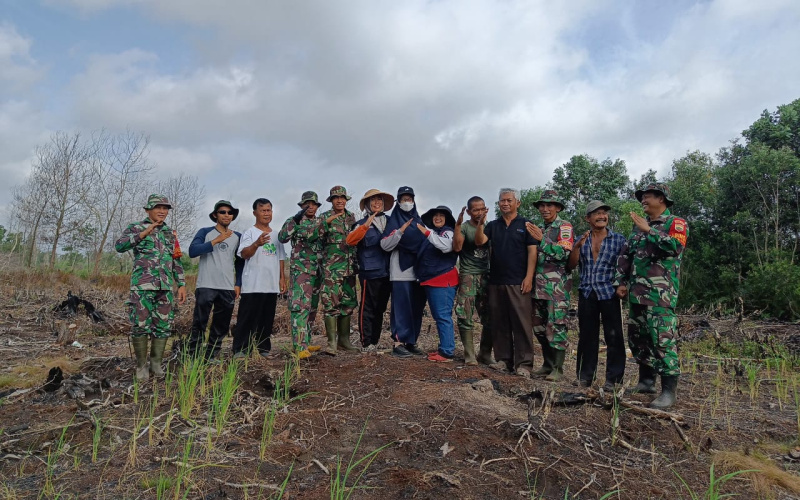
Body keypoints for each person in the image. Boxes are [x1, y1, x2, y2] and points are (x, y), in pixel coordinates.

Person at [614, 183, 688, 409]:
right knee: (639, 339)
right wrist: (621, 281)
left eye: (647, 197)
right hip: (636, 295)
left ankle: (668, 391)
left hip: (660, 296)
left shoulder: (676, 223)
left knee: (662, 341)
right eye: (642, 197)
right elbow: (626, 255)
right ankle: (646, 382)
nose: (643, 201)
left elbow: (675, 247)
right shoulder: (637, 228)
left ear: (661, 199)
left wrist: (649, 230)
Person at [115, 194, 187, 381]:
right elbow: (120, 246)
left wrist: (181, 284)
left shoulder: (170, 234)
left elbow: (176, 259)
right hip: (142, 287)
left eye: (165, 208)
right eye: (158, 208)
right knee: (140, 326)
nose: (162, 211)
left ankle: (156, 363)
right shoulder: (136, 227)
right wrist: (144, 233)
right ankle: (141, 366)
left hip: (165, 288)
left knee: (163, 326)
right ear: (148, 209)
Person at [476, 188, 538, 377]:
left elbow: (532, 252)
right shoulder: (493, 225)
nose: (505, 203)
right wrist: (480, 223)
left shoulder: (526, 224)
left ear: (517, 203)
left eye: (509, 200)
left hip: (518, 282)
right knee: (499, 322)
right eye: (502, 200)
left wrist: (529, 277)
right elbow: (480, 241)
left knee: (521, 323)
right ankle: (503, 360)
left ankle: (524, 365)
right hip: (496, 281)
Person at [566, 200, 626, 390]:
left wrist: (623, 284)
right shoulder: (580, 238)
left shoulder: (618, 239)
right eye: (597, 213)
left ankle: (613, 381)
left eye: (604, 213)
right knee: (587, 337)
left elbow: (625, 265)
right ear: (588, 218)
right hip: (587, 291)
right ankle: (584, 378)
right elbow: (571, 266)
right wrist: (576, 247)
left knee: (614, 337)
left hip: (609, 292)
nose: (602, 216)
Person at [186, 200, 245, 361]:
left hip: (227, 287)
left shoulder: (237, 237)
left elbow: (240, 262)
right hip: (206, 285)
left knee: (221, 325)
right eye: (222, 212)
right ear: (215, 215)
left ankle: (211, 355)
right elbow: (192, 251)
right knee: (200, 322)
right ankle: (194, 356)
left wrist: (238, 283)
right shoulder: (205, 232)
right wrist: (217, 240)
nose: (226, 215)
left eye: (230, 212)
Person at [526, 190, 574, 382]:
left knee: (557, 327)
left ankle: (558, 368)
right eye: (542, 206)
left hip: (557, 289)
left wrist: (541, 240)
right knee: (538, 327)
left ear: (557, 208)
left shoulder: (564, 227)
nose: (545, 209)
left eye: (549, 205)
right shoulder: (538, 227)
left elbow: (564, 254)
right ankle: (547, 363)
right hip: (538, 287)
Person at [232, 198, 287, 358]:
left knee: (266, 319)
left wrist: (282, 279)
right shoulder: (249, 233)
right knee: (247, 318)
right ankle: (240, 349)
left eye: (269, 210)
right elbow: (243, 254)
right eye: (262, 210)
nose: (266, 213)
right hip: (252, 285)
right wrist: (256, 244)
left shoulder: (277, 235)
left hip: (270, 285)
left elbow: (281, 258)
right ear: (255, 213)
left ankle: (263, 348)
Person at [381, 186, 427, 358]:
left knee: (416, 307)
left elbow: (425, 241)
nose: (407, 202)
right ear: (398, 202)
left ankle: (411, 341)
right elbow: (385, 245)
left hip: (418, 271)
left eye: (410, 199)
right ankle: (398, 342)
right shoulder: (393, 221)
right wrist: (400, 232)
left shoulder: (419, 221)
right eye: (403, 199)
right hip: (400, 270)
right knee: (401, 308)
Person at [346, 189, 394, 352]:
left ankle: (376, 340)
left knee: (380, 308)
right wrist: (366, 226)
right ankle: (366, 342)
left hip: (388, 271)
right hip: (370, 271)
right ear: (367, 204)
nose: (376, 203)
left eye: (379, 200)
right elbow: (350, 241)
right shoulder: (360, 224)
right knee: (368, 308)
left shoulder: (391, 221)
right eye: (373, 200)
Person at [278, 191, 324, 359]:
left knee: (312, 307)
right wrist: (295, 221)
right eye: (306, 204)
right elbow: (282, 237)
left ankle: (307, 342)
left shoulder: (321, 221)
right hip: (301, 271)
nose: (310, 206)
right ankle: (299, 346)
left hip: (317, 271)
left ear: (317, 206)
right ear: (301, 206)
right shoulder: (293, 221)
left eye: (313, 204)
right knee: (299, 307)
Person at [452, 196, 494, 366]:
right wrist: (456, 226)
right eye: (475, 209)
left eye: (482, 208)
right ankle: (469, 354)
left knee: (490, 316)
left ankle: (485, 353)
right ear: (469, 211)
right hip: (468, 275)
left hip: (487, 276)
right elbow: (457, 247)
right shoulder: (463, 228)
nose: (479, 212)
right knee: (465, 315)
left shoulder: (490, 227)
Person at [319, 186, 359, 355]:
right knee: (330, 304)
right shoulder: (324, 217)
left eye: (342, 198)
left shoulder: (351, 217)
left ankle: (344, 340)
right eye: (336, 198)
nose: (340, 201)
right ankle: (331, 343)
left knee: (348, 304)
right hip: (332, 270)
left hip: (349, 268)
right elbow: (317, 238)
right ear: (331, 200)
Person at [416, 206, 459, 362]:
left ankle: (447, 351)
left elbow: (446, 247)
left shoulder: (448, 232)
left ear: (447, 219)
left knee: (443, 316)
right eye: (435, 216)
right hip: (432, 280)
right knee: (439, 315)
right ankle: (444, 348)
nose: (438, 218)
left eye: (441, 215)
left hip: (443, 279)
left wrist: (426, 232)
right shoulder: (434, 234)